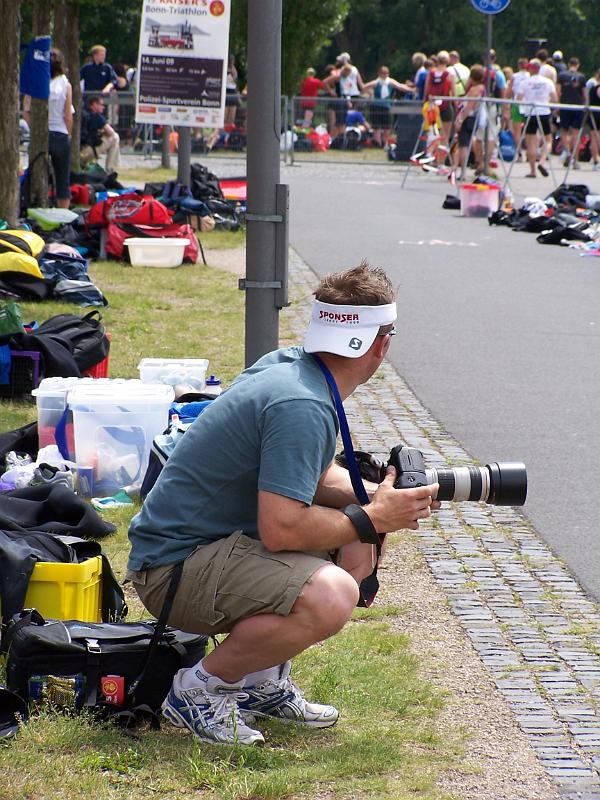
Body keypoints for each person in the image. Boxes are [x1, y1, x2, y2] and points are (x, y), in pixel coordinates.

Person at [126, 262, 439, 747]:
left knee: (356, 546)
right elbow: (283, 531)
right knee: (333, 591)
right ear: (381, 342)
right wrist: (374, 515)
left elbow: (308, 479)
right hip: (173, 570)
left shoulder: (293, 368)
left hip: (203, 548)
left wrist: (375, 495)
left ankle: (259, 682)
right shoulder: (302, 404)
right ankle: (199, 689)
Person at [23, 48, 73, 209]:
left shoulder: (35, 82)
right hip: (59, 133)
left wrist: (33, 129)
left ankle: (36, 204)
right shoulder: (65, 84)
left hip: (40, 134)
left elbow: (26, 111)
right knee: (62, 177)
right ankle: (63, 212)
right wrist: (69, 133)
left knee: (36, 172)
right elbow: (68, 115)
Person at [517, 59, 557, 178]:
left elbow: (519, 98)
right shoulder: (548, 82)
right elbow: (554, 99)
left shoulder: (525, 82)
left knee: (530, 143)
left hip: (530, 113)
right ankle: (542, 161)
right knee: (548, 140)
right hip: (543, 111)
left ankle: (533, 170)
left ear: (530, 69)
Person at [363, 65, 411, 147]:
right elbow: (364, 87)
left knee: (387, 126)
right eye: (383, 73)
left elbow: (400, 86)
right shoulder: (376, 82)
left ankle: (385, 143)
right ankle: (377, 143)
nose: (385, 75)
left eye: (386, 73)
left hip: (386, 106)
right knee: (376, 126)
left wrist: (411, 89)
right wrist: (370, 93)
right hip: (376, 106)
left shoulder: (390, 82)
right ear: (379, 74)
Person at [556, 57, 587, 169]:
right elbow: (584, 94)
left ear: (569, 64)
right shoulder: (582, 77)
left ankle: (568, 152)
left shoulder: (562, 75)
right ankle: (576, 159)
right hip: (578, 107)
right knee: (576, 133)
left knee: (564, 131)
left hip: (565, 105)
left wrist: (557, 106)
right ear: (578, 65)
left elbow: (558, 92)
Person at [80, 95, 120, 173]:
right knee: (115, 137)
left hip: (78, 152)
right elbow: (111, 132)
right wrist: (103, 132)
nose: (103, 107)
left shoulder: (82, 114)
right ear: (94, 104)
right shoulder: (97, 116)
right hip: (89, 151)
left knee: (114, 141)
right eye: (101, 104)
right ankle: (110, 170)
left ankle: (111, 168)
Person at [503, 57, 530, 158]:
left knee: (517, 131)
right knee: (529, 131)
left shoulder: (515, 77)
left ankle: (519, 153)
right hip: (528, 105)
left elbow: (508, 93)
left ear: (518, 66)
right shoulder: (530, 76)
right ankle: (529, 152)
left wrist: (506, 107)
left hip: (517, 105)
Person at [586, 68, 600, 170]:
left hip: (593, 115)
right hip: (597, 114)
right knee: (596, 138)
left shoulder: (592, 88)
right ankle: (596, 160)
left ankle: (595, 159)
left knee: (594, 138)